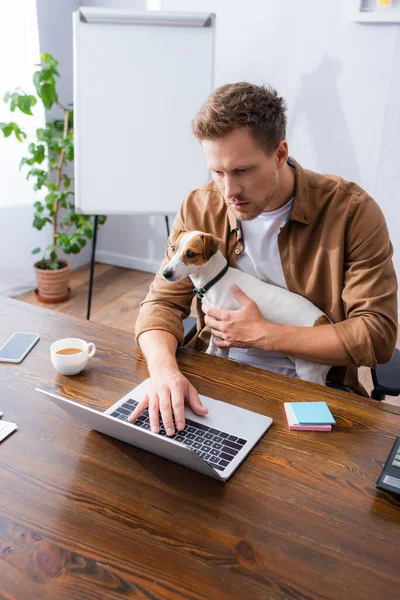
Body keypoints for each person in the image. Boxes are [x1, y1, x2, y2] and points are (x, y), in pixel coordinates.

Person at [132, 82, 398, 436]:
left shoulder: (351, 213)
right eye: (217, 172)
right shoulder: (199, 206)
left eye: (242, 171)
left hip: (310, 388)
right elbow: (160, 304)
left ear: (279, 153)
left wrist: (266, 336)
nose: (228, 191)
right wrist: (165, 372)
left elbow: (376, 335)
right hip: (218, 375)